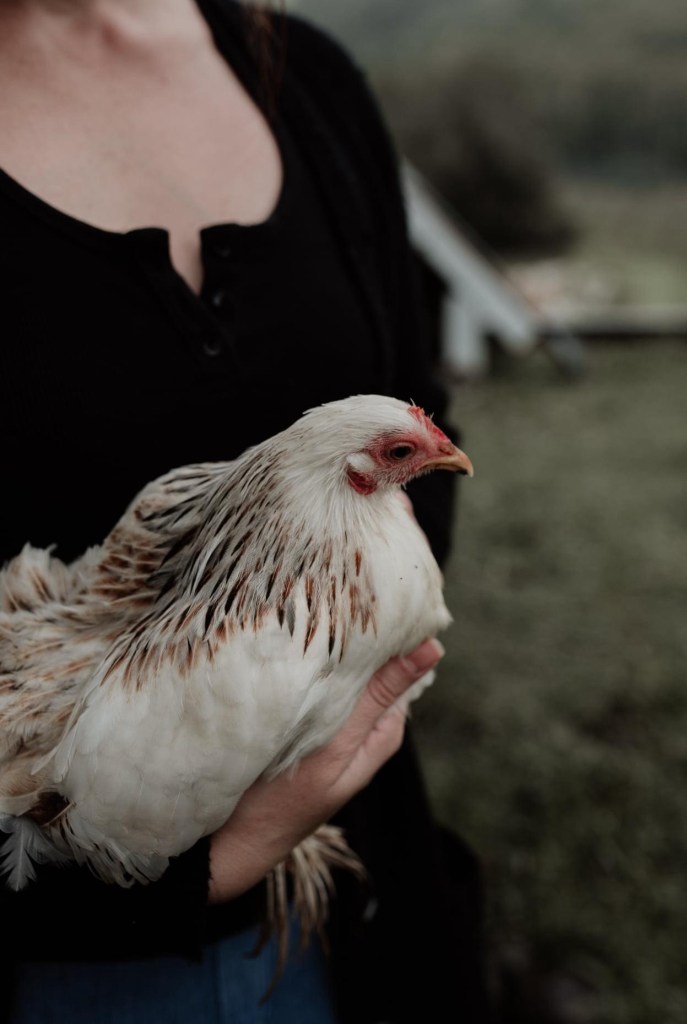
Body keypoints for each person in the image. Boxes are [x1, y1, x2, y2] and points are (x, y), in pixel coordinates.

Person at [0, 0, 490, 1020]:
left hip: (350, 915)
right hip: (55, 965)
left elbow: (415, 466)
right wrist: (203, 862)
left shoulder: (306, 80)